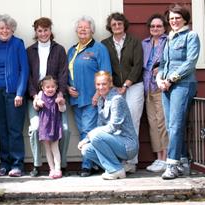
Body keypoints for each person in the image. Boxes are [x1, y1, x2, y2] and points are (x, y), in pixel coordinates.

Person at [156, 3, 200, 180]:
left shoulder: (191, 36)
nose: (174, 21)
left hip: (183, 84)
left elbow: (190, 63)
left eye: (177, 18)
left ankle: (172, 164)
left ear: (185, 19)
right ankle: (182, 161)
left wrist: (171, 79)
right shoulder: (169, 38)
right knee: (171, 126)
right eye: (171, 18)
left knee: (175, 125)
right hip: (166, 85)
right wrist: (159, 79)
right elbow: (163, 63)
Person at [67, 16, 112, 177]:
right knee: (83, 131)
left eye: (86, 27)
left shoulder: (99, 49)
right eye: (80, 27)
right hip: (75, 100)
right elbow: (67, 73)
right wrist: (67, 87)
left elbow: (105, 73)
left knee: (88, 131)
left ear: (92, 30)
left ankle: (86, 165)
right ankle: (94, 162)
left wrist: (98, 94)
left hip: (91, 98)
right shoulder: (72, 50)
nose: (83, 30)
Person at [26, 17, 70, 177]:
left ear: (50, 31)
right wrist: (34, 96)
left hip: (55, 96)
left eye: (46, 30)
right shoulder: (30, 51)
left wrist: (60, 93)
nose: (43, 33)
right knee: (36, 128)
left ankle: (61, 164)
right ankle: (37, 164)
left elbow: (63, 74)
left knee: (65, 129)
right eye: (40, 30)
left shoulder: (59, 49)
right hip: (36, 98)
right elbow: (28, 76)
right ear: (36, 32)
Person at [101, 12, 144, 174]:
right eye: (114, 24)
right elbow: (105, 66)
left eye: (119, 24)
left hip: (134, 86)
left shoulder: (134, 42)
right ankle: (119, 160)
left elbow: (138, 65)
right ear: (110, 27)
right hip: (114, 88)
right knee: (115, 122)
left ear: (124, 25)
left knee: (132, 120)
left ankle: (132, 161)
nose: (117, 27)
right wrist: (112, 86)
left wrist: (126, 85)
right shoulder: (105, 44)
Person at [0, 14, 29, 177]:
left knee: (14, 130)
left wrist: (20, 93)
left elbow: (24, 70)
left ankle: (17, 164)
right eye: (1, 28)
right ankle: (4, 164)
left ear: (12, 29)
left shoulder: (18, 44)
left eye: (7, 28)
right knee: (1, 129)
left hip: (13, 93)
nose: (4, 31)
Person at [78, 71, 138, 180]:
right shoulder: (101, 101)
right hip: (113, 141)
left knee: (95, 136)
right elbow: (99, 126)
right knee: (86, 150)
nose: (101, 87)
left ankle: (116, 170)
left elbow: (114, 127)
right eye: (98, 84)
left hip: (127, 145)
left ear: (110, 84)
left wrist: (90, 135)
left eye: (104, 84)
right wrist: (86, 140)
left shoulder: (117, 99)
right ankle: (121, 166)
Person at [142, 14, 169, 173]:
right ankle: (158, 157)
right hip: (147, 87)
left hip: (161, 86)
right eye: (152, 26)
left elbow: (174, 61)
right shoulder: (145, 43)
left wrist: (164, 69)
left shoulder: (168, 41)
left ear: (164, 28)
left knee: (162, 122)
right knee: (152, 123)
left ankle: (165, 158)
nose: (155, 29)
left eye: (158, 26)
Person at [33, 76, 67, 179]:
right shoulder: (40, 95)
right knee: (47, 149)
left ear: (56, 87)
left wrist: (61, 103)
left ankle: (58, 169)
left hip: (54, 125)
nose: (50, 89)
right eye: (47, 87)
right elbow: (35, 107)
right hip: (44, 125)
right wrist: (37, 103)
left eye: (53, 86)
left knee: (55, 148)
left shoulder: (58, 96)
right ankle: (51, 169)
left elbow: (63, 110)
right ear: (43, 88)